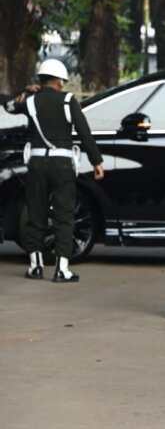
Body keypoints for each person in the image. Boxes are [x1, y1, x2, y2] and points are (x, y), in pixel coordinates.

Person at [3, 59, 104, 282]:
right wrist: (97, 162)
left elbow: (9, 106)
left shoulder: (30, 101)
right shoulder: (68, 101)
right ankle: (62, 269)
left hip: (37, 164)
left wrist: (24, 91)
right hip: (62, 165)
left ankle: (35, 266)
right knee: (64, 215)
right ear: (59, 80)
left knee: (36, 214)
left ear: (40, 80)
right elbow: (84, 133)